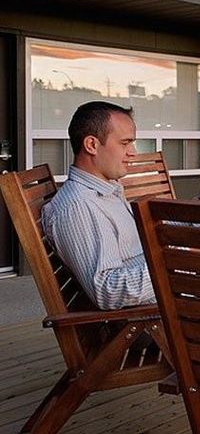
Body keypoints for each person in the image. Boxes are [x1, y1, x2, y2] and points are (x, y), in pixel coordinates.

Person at [42, 101, 154, 310]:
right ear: (92, 145)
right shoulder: (78, 207)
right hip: (160, 314)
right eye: (125, 143)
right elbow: (108, 291)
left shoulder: (106, 192)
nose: (133, 152)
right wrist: (175, 262)